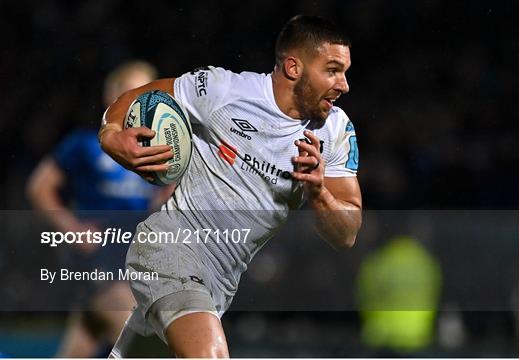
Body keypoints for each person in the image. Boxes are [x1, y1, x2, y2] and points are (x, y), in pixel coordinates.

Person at [99, 15, 362, 358]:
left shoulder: (336, 133)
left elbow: (347, 234)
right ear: (294, 67)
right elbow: (138, 96)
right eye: (332, 70)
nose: (343, 84)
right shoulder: (223, 90)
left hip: (218, 284)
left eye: (345, 71)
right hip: (170, 248)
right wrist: (110, 135)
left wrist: (318, 192)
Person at [27, 60, 171, 357]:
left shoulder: (157, 151)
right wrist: (73, 230)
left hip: (132, 260)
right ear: (113, 98)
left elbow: (158, 202)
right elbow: (40, 187)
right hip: (97, 261)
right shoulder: (84, 144)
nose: (142, 100)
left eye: (148, 91)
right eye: (134, 91)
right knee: (142, 334)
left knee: (82, 345)